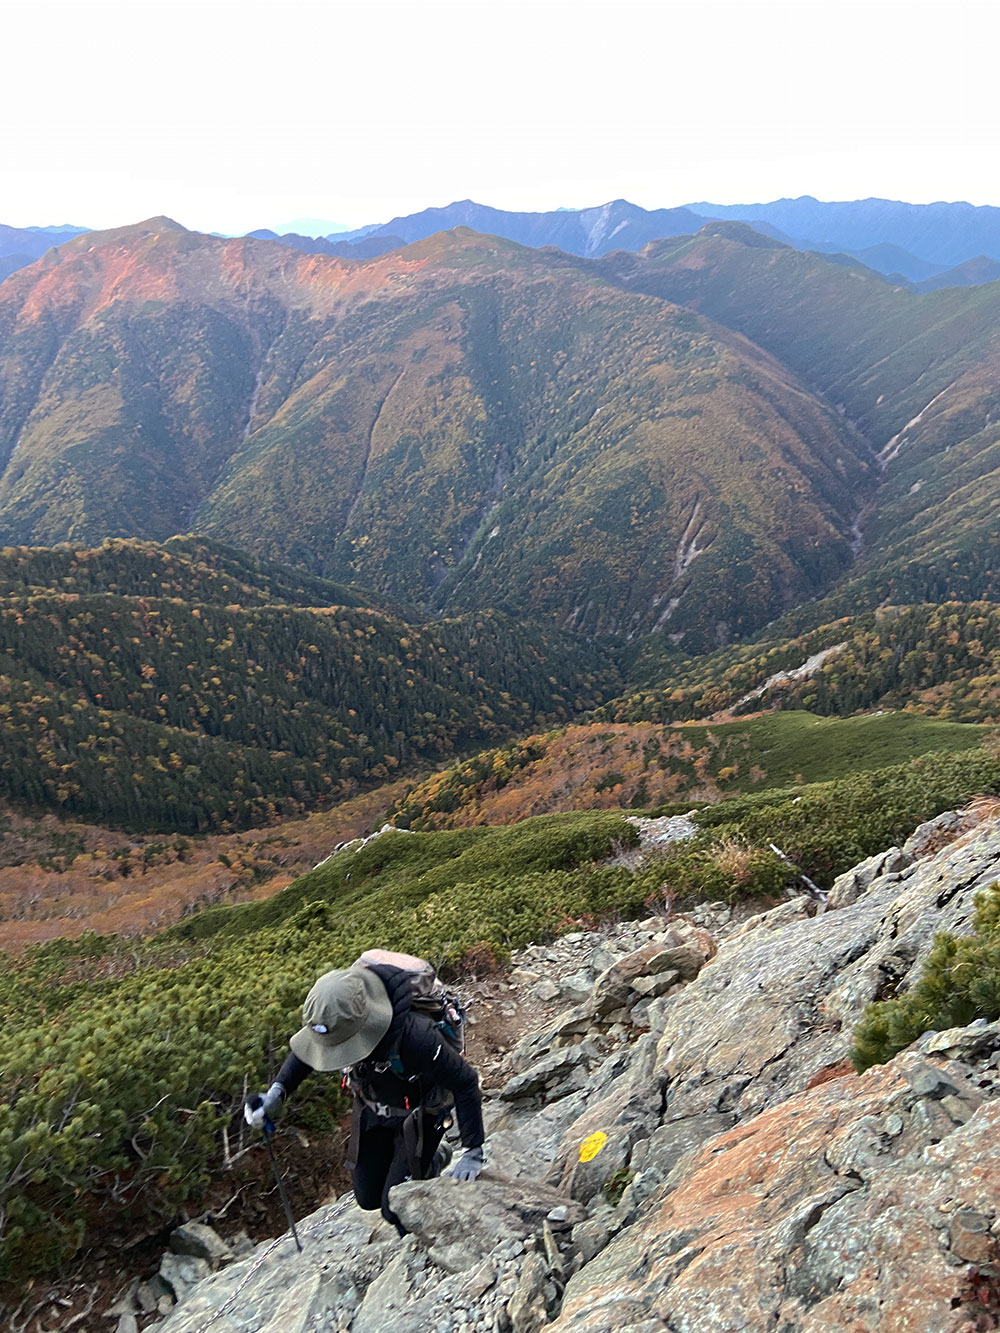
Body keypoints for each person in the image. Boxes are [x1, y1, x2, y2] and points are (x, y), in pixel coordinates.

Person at [245, 950, 486, 1234]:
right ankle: (429, 1159)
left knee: (394, 1208)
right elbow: (307, 1053)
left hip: (421, 1113)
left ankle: (430, 1160)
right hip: (373, 1106)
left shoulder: (415, 1036)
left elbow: (465, 1082)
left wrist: (473, 1150)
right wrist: (276, 1093)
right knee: (367, 1197)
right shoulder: (339, 1018)